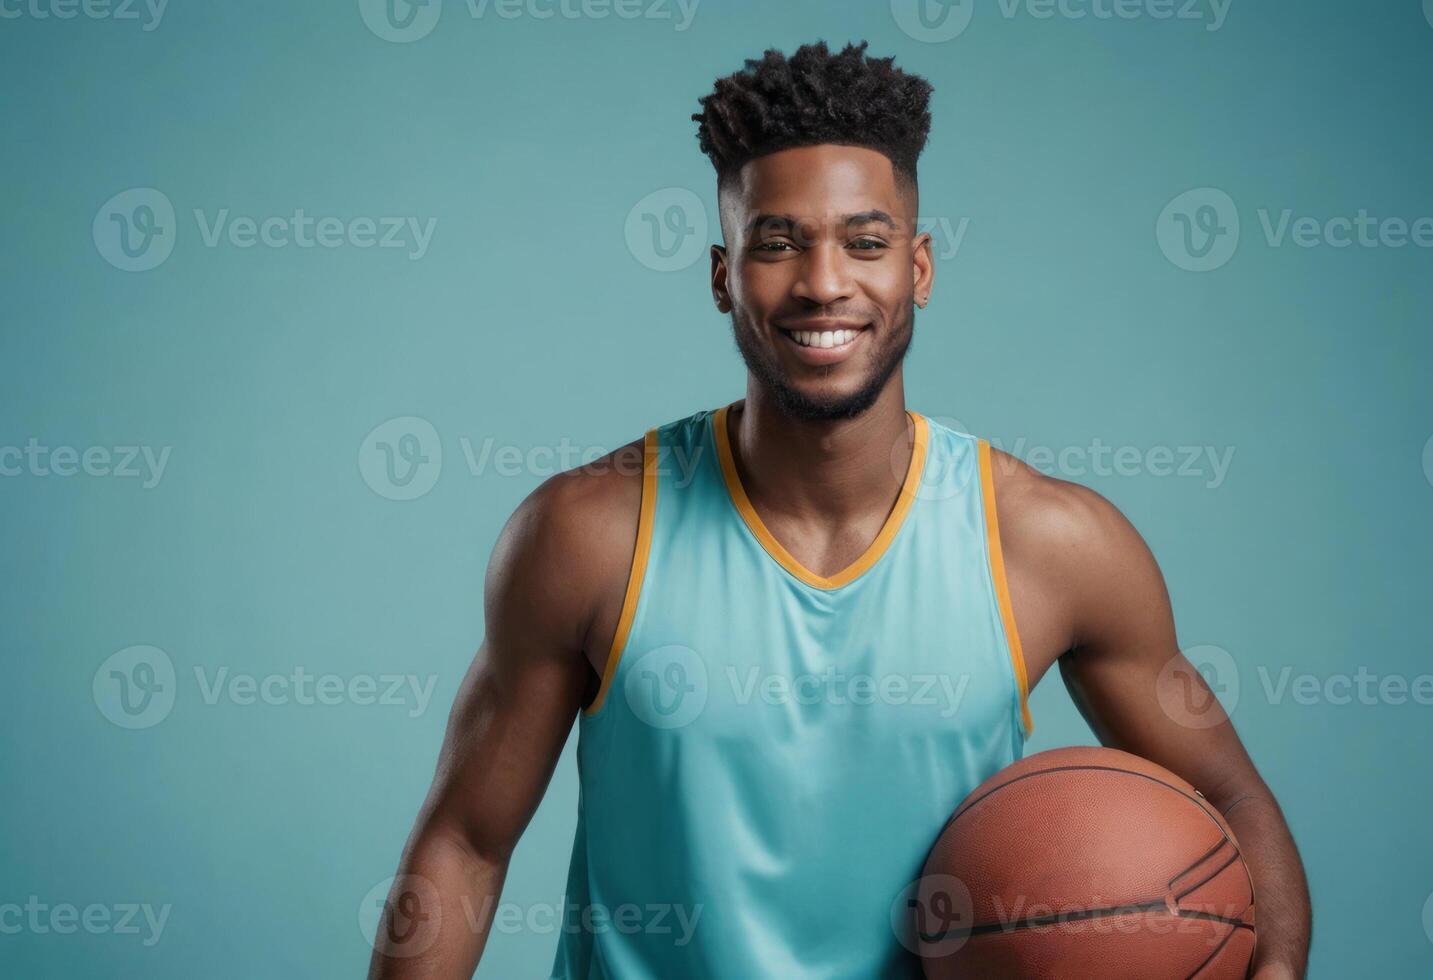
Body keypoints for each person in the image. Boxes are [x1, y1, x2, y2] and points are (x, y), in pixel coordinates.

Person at [368, 40, 1311, 979]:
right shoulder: (586, 533)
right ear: (720, 275)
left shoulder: (1049, 543)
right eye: (776, 243)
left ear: (921, 268)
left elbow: (1228, 796)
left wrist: (1271, 971)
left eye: (866, 242)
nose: (824, 282)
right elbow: (464, 845)